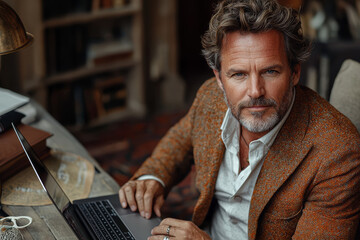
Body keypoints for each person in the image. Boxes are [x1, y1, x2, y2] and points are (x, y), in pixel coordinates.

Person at [119, 0, 360, 239]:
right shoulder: (211, 96)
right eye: (238, 74)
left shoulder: (337, 152)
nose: (255, 91)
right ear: (220, 79)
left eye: (270, 71)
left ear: (295, 72)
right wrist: (152, 178)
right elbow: (181, 139)